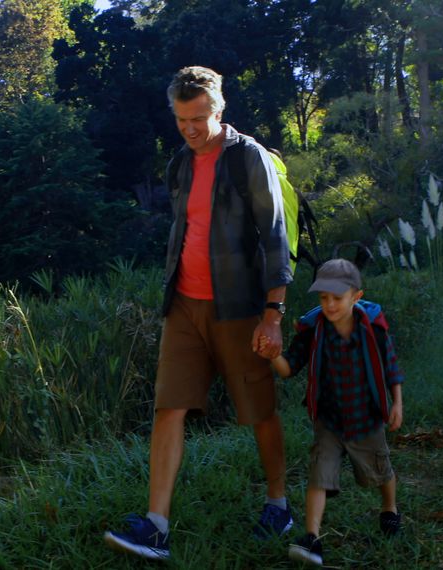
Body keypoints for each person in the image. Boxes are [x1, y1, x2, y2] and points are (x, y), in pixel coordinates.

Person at [102, 66, 295, 561]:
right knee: (169, 407)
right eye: (182, 119)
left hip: (239, 307)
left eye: (199, 117)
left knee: (259, 412)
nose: (190, 128)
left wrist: (272, 314)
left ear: (219, 108)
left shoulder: (248, 158)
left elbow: (275, 238)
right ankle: (155, 525)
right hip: (184, 305)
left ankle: (279, 503)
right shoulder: (180, 164)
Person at [262, 258, 405, 566]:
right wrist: (273, 355)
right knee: (319, 474)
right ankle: (311, 538)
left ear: (356, 296)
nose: (329, 304)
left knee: (380, 470)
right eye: (323, 298)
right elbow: (288, 369)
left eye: (337, 298)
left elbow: (391, 367)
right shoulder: (314, 330)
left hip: (365, 418)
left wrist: (397, 403)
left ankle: (389, 508)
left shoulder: (373, 330)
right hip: (328, 420)